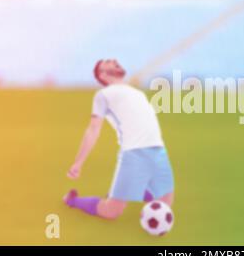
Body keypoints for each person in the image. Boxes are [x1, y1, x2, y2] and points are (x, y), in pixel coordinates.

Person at [63, 59, 174, 219]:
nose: (114, 61)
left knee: (165, 207)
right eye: (108, 62)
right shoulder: (103, 95)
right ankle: (73, 200)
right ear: (102, 74)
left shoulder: (138, 93)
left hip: (158, 150)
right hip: (133, 153)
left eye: (114, 60)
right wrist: (78, 162)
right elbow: (94, 129)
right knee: (110, 212)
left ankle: (134, 187)